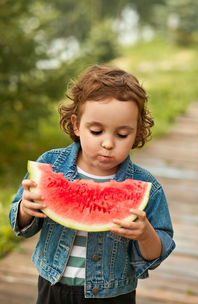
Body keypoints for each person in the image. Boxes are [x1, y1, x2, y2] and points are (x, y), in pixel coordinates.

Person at [9, 65, 175, 304]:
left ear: (137, 132)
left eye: (122, 135)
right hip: (53, 286)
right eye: (96, 131)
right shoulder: (50, 165)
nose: (108, 143)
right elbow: (22, 225)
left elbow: (157, 253)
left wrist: (146, 234)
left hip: (113, 294)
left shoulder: (146, 186)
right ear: (77, 125)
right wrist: (25, 209)